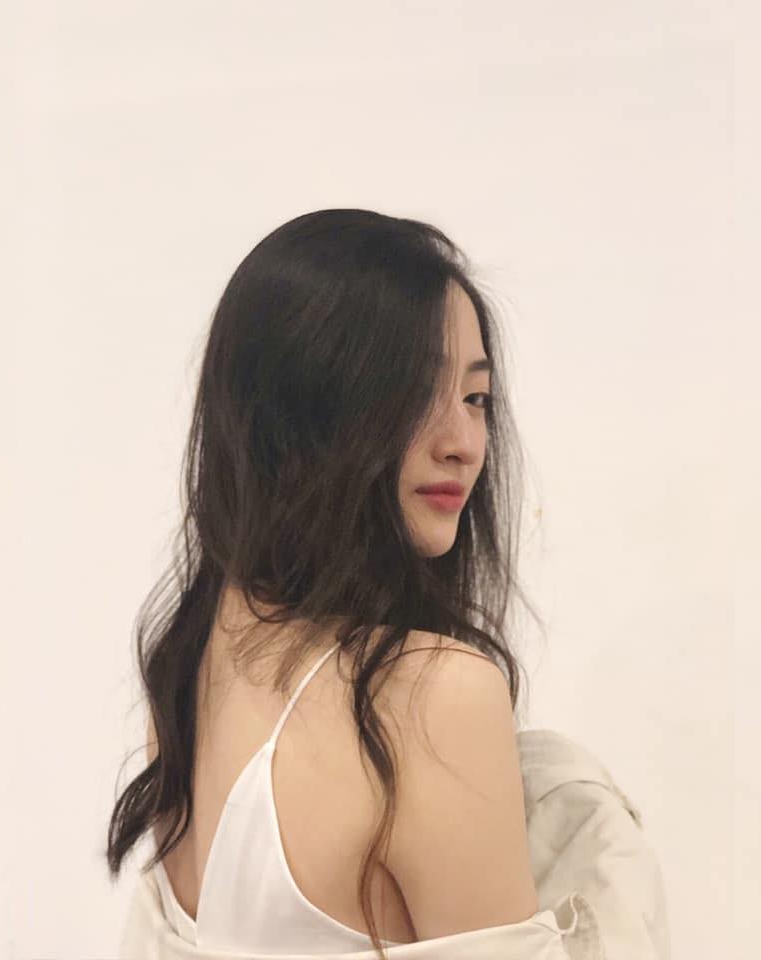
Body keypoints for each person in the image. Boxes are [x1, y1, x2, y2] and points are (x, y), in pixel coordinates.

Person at [106, 208, 560, 957]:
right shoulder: (434, 695)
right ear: (303, 408)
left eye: (476, 398)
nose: (463, 443)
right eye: (415, 391)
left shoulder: (191, 665)